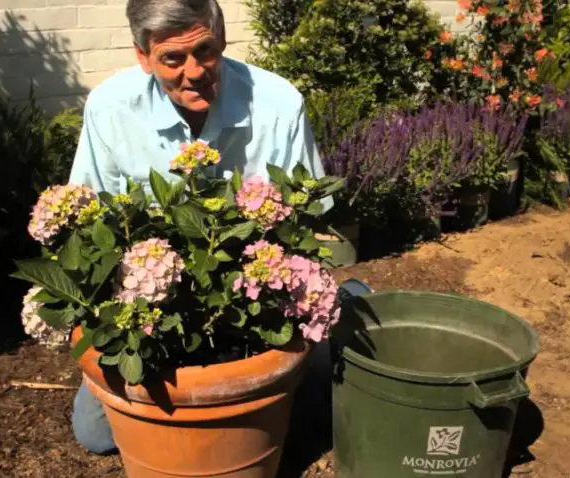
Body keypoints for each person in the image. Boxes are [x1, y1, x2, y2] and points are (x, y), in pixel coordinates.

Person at [67, 0, 359, 455]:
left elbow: (311, 216)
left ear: (221, 40)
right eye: (172, 59)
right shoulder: (109, 108)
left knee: (319, 405)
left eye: (206, 50)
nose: (196, 71)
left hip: (260, 292)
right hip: (155, 302)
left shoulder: (279, 102)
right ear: (143, 56)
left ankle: (351, 300)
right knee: (97, 434)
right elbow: (89, 222)